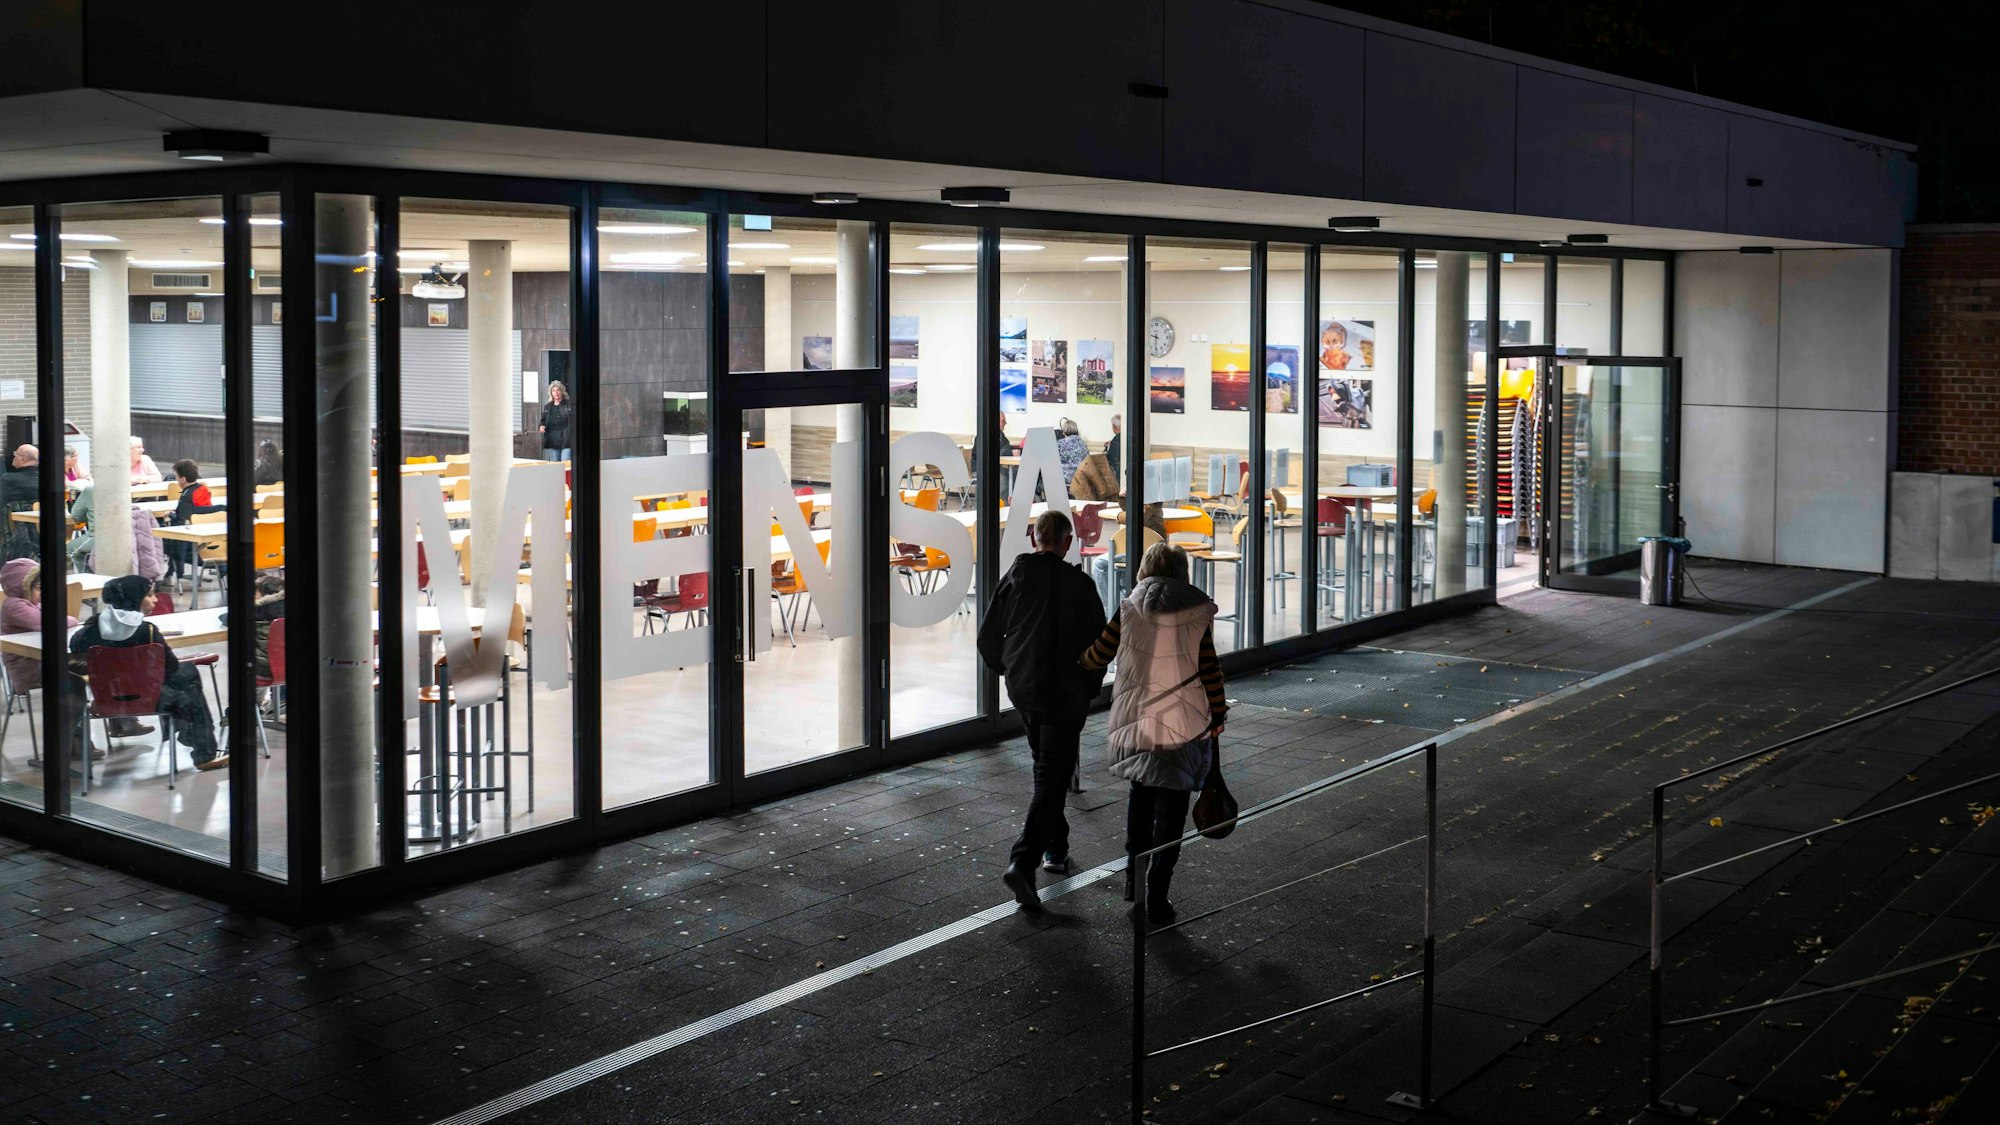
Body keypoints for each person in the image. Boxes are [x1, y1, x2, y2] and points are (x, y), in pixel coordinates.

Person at [1080, 543, 1228, 926]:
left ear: (1145, 569)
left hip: (1138, 720)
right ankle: (1157, 895)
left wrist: (1076, 662)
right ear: (1182, 572)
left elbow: (1099, 654)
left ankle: (1134, 880)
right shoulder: (1195, 613)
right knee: (1172, 812)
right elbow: (1209, 669)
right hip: (1182, 723)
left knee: (1140, 797)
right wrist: (1218, 712)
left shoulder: (1128, 609)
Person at [977, 509, 1108, 913]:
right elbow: (1099, 647)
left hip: (1027, 690)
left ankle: (1056, 846)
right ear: (1068, 542)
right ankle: (1024, 860)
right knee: (1051, 777)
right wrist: (1086, 689)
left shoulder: (1015, 579)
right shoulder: (1081, 585)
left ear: (1035, 539)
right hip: (1064, 695)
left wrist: (1011, 670)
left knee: (1046, 768)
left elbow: (987, 639)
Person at [65, 575, 223, 770]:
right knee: (189, 674)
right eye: (149, 595)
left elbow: (75, 647)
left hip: (106, 699)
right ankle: (203, 749)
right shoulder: (147, 630)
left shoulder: (91, 629)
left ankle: (191, 738)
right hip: (151, 698)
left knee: (185, 675)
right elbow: (170, 668)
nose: (156, 600)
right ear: (134, 598)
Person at [0, 560, 100, 760]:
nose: (42, 593)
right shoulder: (14, 605)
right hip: (29, 667)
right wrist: (68, 619)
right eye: (38, 588)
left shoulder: (32, 603)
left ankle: (117, 723)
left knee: (102, 667)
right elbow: (52, 622)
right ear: (23, 586)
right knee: (73, 684)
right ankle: (73, 742)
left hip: (50, 661)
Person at [164, 459, 222, 584]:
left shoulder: (186, 495)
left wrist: (170, 515)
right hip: (208, 533)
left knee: (165, 541)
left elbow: (182, 520)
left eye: (177, 477)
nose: (176, 479)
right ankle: (169, 575)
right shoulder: (202, 489)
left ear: (183, 479)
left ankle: (171, 575)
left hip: (189, 538)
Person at [538, 380, 574, 463]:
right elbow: (542, 420)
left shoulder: (569, 405)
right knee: (555, 466)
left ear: (562, 392)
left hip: (566, 440)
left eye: (558, 390)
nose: (556, 393)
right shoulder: (548, 407)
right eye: (553, 391)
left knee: (565, 463)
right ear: (551, 393)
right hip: (553, 440)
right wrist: (541, 426)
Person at [1056, 418, 1087, 485]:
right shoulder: (1082, 443)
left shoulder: (1060, 443)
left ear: (1064, 431)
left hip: (1066, 476)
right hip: (1081, 476)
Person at [1105, 414, 1123, 487]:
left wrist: (1110, 447)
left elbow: (1111, 459)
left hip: (1117, 476)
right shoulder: (1125, 437)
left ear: (1115, 427)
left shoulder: (1115, 441)